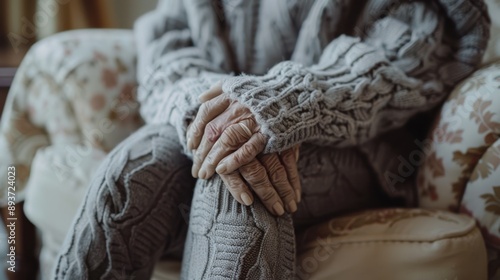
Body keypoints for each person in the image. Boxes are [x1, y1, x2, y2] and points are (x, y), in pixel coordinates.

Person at [54, 0, 490, 279]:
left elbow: (412, 51)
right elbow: (169, 49)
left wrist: (281, 104)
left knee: (235, 191)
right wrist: (214, 117)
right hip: (207, 113)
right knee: (134, 167)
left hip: (354, 141)